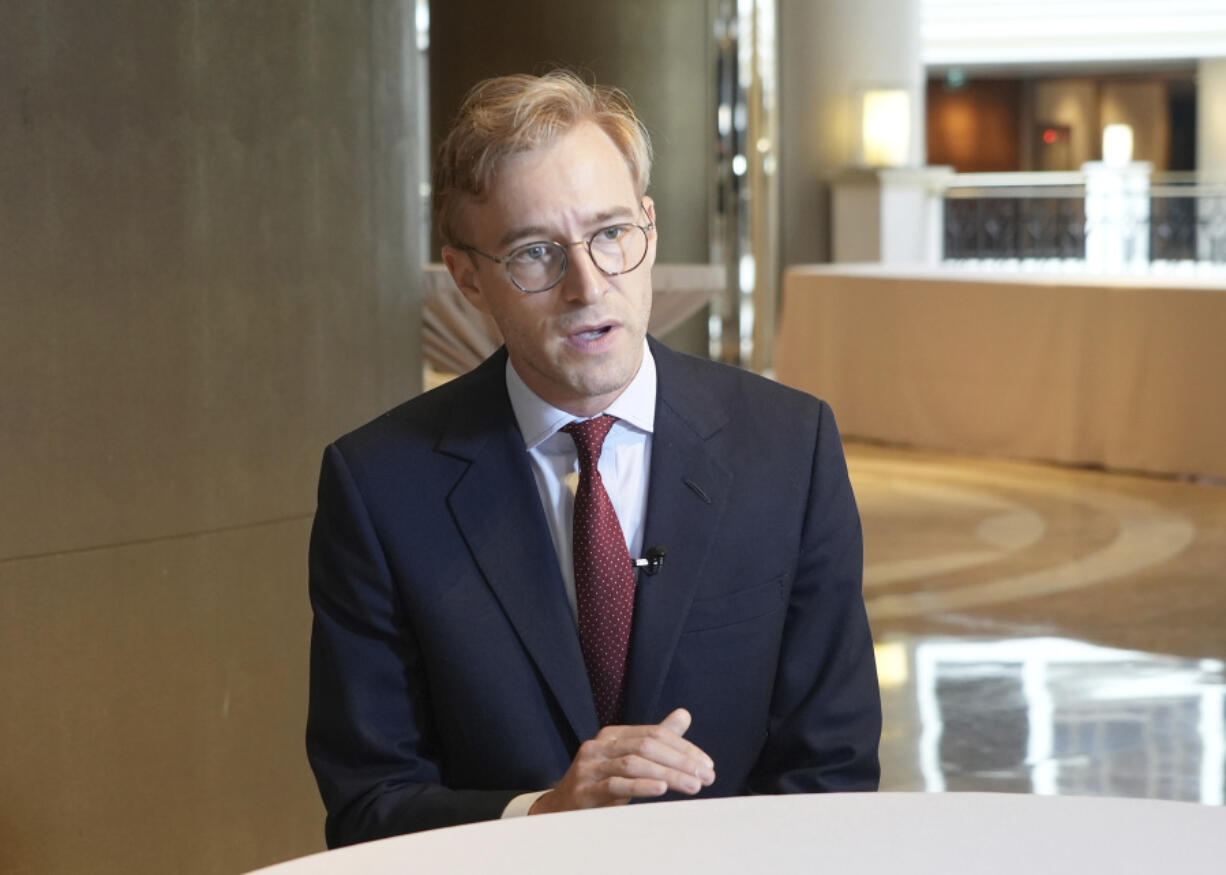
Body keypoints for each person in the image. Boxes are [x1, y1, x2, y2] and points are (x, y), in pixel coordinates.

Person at [306, 70, 880, 848]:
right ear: (468, 276)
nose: (587, 284)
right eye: (535, 252)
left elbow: (834, 771)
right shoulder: (378, 487)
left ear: (649, 225)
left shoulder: (789, 447)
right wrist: (540, 815)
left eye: (610, 233)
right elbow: (371, 805)